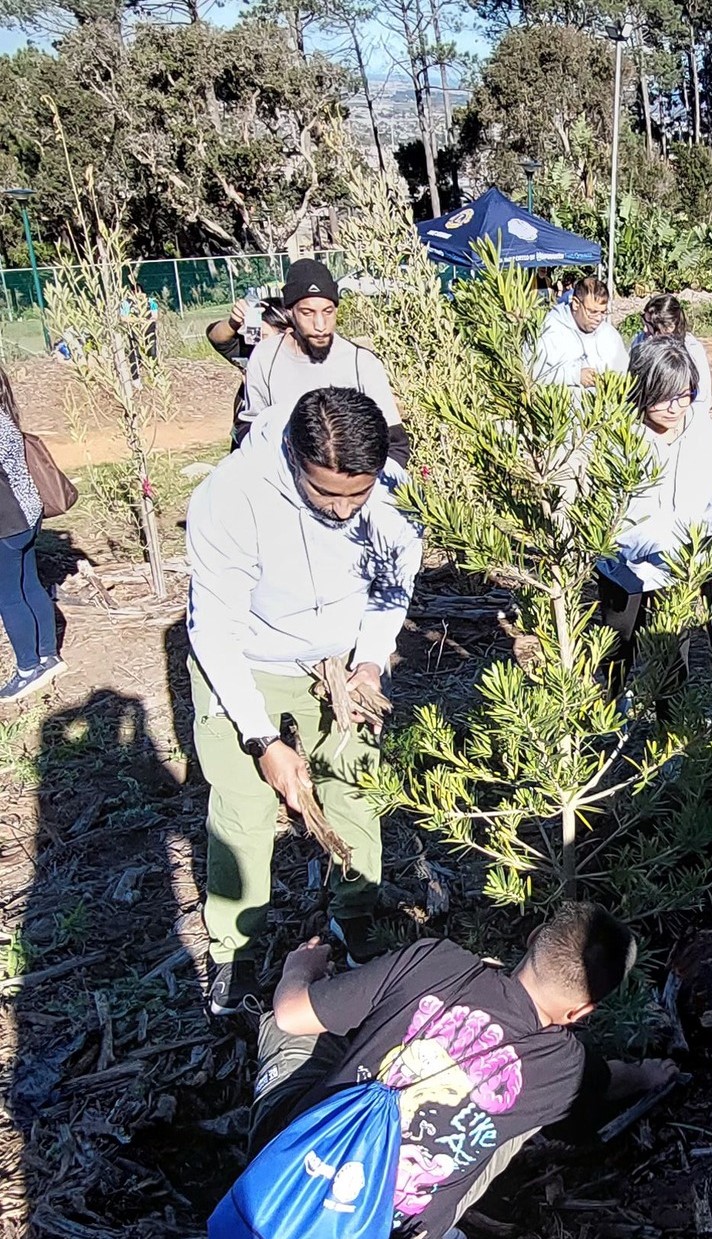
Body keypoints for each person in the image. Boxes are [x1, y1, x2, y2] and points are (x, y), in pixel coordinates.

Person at [186, 386, 423, 1016]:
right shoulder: (230, 498)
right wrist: (262, 739)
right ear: (294, 456)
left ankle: (356, 916)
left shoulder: (389, 494)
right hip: (247, 659)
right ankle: (234, 950)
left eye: (357, 495)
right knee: (243, 812)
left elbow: (392, 583)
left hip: (339, 665)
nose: (344, 511)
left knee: (356, 791)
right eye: (327, 494)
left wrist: (370, 659)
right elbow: (216, 630)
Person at [248, 904, 677, 1236]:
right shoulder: (564, 1070)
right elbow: (608, 1082)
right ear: (581, 1012)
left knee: (286, 1027)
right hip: (385, 1229)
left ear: (531, 938)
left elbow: (291, 1014)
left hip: (288, 1172)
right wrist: (647, 1075)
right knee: (514, 1129)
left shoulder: (436, 962)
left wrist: (297, 970)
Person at [596, 335, 712, 699]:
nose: (675, 408)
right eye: (663, 397)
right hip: (623, 569)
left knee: (674, 663)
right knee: (617, 654)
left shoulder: (704, 433)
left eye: (684, 395)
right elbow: (604, 513)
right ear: (641, 389)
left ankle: (667, 727)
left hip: (680, 569)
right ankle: (612, 714)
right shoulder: (617, 436)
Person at [242, 259, 411, 468]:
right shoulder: (265, 357)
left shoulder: (361, 363)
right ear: (291, 311)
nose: (320, 325)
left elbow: (395, 445)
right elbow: (250, 431)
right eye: (308, 313)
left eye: (328, 311)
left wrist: (367, 485)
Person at [0, 367, 64, 702]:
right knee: (30, 584)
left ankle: (28, 669)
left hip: (7, 522)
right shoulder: (5, 414)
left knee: (8, 597)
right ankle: (48, 655)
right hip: (27, 515)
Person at [205, 294, 290, 446]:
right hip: (246, 443)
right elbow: (215, 337)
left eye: (263, 335)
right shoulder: (252, 352)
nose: (257, 343)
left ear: (287, 333)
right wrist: (233, 323)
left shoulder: (299, 364)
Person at [533, 276, 629, 393]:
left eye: (603, 312)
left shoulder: (610, 334)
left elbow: (624, 372)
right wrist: (575, 376)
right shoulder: (548, 329)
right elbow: (532, 374)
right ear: (576, 304)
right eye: (593, 312)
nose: (599, 318)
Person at [632, 294, 712, 422]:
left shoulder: (692, 350)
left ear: (669, 328)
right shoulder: (640, 341)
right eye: (644, 321)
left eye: (650, 325)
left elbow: (701, 399)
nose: (644, 329)